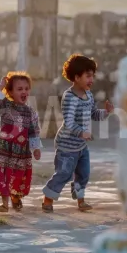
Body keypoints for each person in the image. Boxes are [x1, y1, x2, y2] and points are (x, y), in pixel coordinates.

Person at [41, 54, 114, 213]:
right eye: (88, 76)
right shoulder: (69, 97)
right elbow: (69, 121)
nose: (91, 80)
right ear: (76, 77)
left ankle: (81, 201)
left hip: (81, 145)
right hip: (66, 146)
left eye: (92, 76)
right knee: (64, 173)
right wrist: (82, 133)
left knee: (84, 174)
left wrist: (106, 113)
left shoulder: (88, 95)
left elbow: (93, 114)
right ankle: (48, 199)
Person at [0, 72, 42, 212]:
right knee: (3, 175)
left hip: (21, 151)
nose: (24, 92)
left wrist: (36, 148)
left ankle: (15, 197)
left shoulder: (31, 112)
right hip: (4, 148)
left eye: (26, 89)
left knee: (18, 176)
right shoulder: (5, 107)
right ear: (10, 92)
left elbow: (34, 131)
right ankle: (5, 204)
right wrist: (1, 86)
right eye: (19, 89)